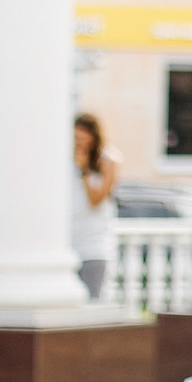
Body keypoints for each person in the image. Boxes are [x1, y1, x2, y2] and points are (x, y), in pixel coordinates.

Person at [70, 112, 120, 301]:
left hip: (94, 246)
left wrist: (84, 170)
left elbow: (96, 199)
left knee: (92, 301)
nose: (79, 143)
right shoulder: (67, 159)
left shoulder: (109, 159)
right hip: (70, 244)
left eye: (83, 138)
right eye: (76, 138)